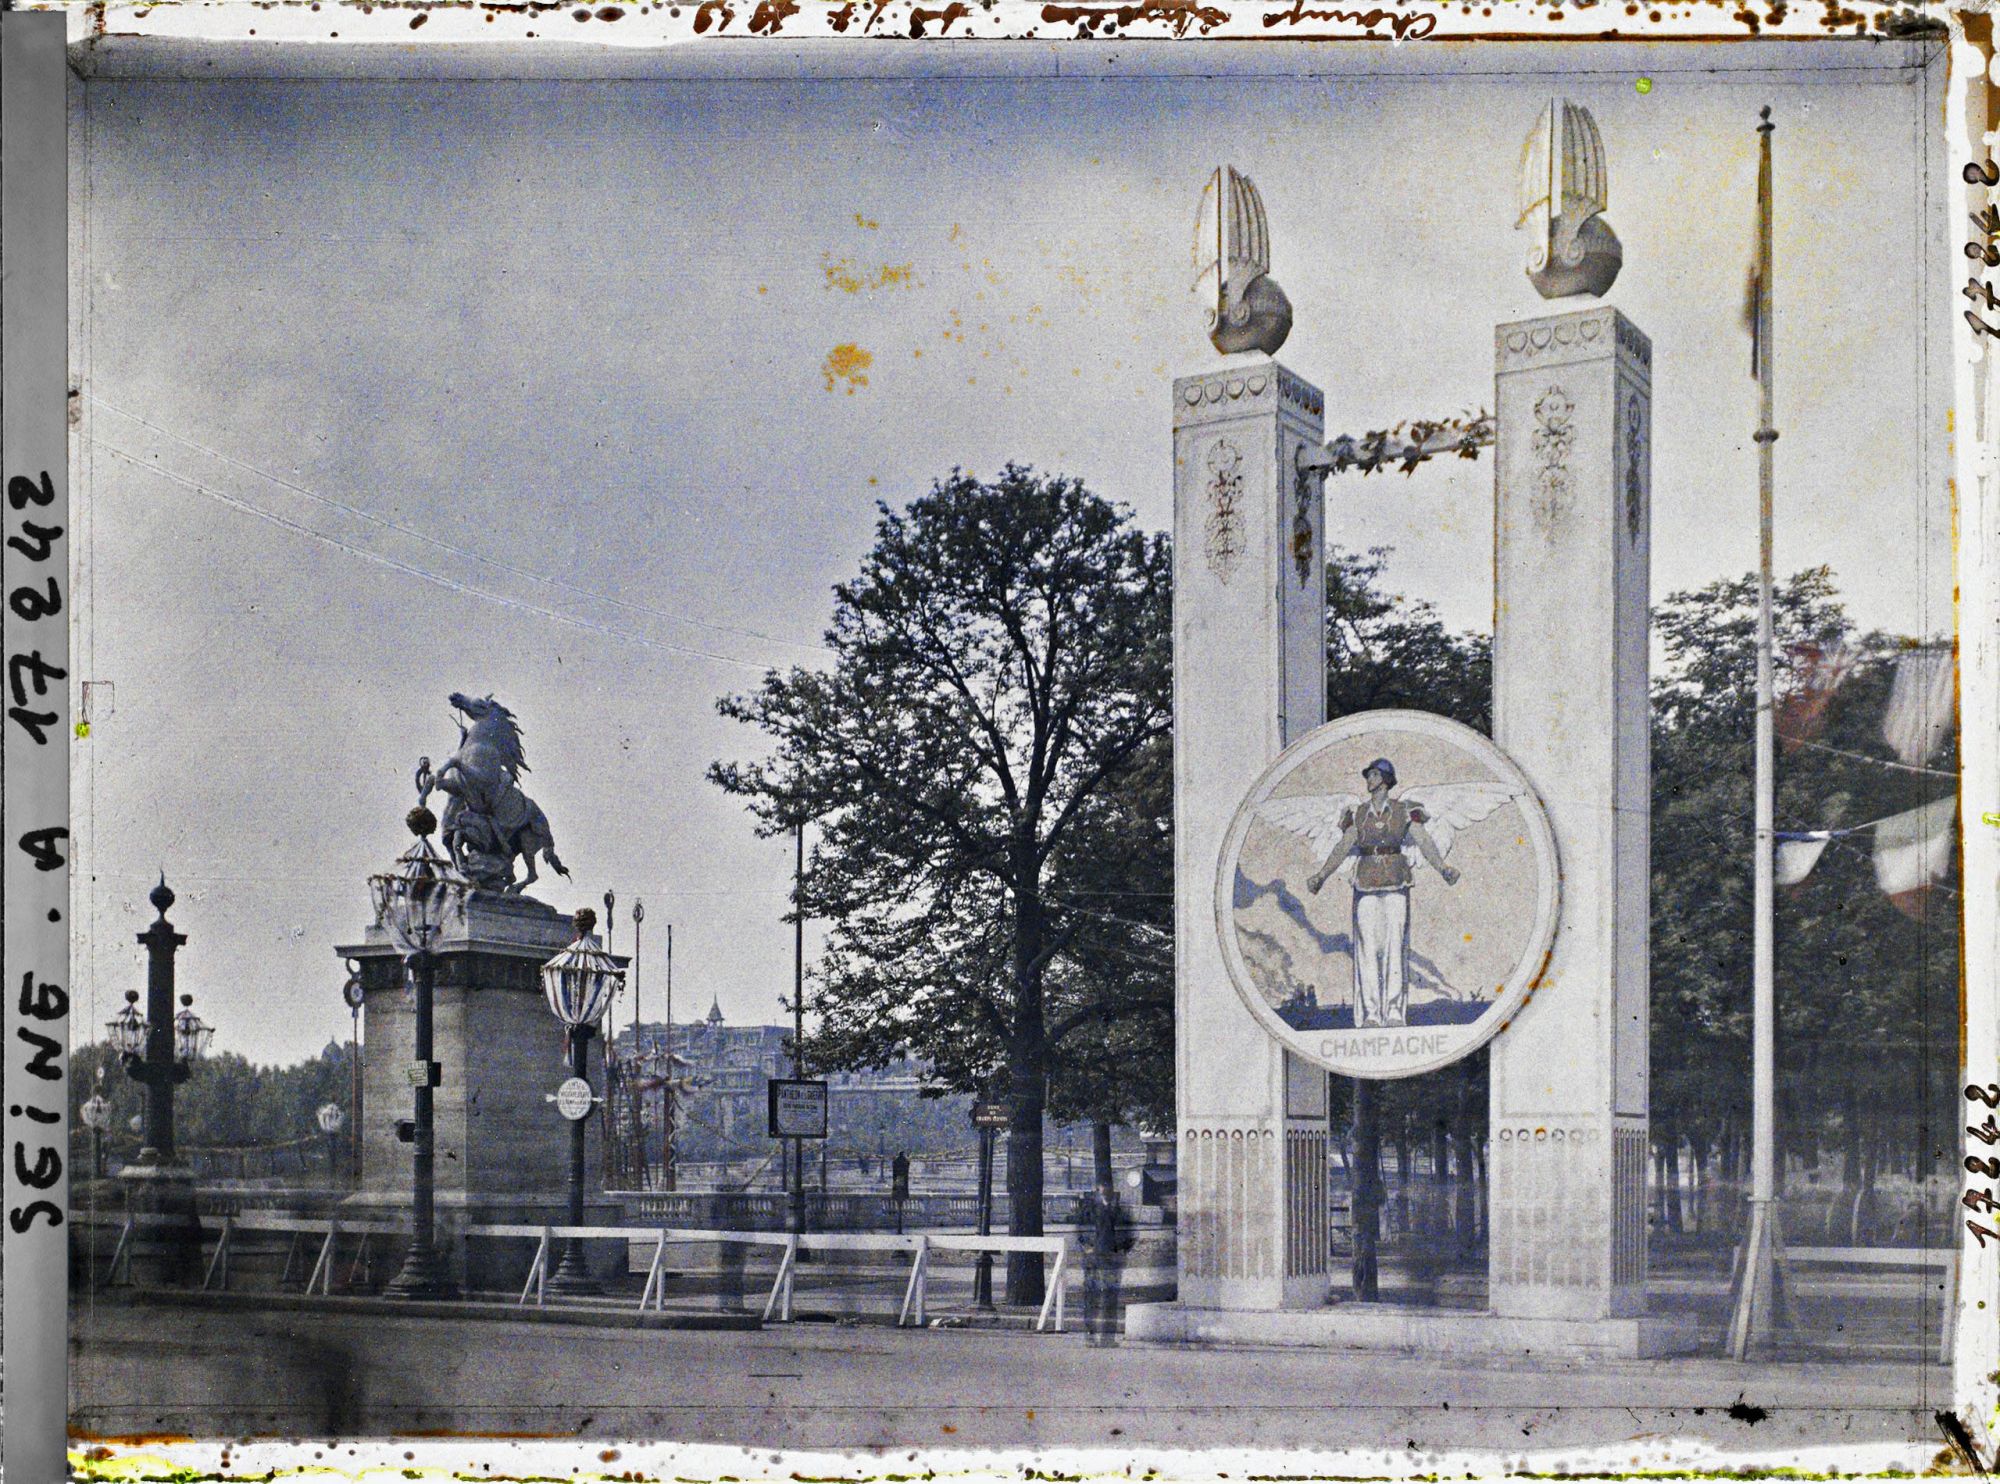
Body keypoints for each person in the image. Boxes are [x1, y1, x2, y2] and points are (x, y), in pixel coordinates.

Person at [1306, 758, 1460, 1028]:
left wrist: (1443, 868)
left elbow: (1423, 840)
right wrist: (1322, 875)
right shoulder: (1358, 813)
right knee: (1367, 949)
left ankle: (1394, 1013)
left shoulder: (1404, 810)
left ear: (1386, 779)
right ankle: (1372, 1014)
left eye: (1375, 774)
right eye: (1369, 775)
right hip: (1365, 883)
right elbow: (1344, 846)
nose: (1369, 779)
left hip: (1396, 882)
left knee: (1394, 946)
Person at [1079, 1179, 1134, 1345]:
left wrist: (1122, 1250)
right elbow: (1081, 1231)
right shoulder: (1089, 1211)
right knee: (1091, 1297)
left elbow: (1129, 1233)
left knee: (1110, 1298)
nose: (1104, 1190)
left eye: (1107, 1187)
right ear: (1098, 1190)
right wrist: (1088, 1247)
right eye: (1101, 1188)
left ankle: (1107, 1338)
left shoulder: (1120, 1212)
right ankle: (1090, 1335)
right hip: (1093, 1260)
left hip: (1112, 1260)